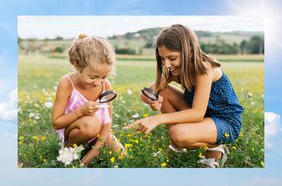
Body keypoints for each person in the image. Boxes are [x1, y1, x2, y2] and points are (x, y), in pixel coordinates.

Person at [126, 24, 243, 167]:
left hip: (225, 121)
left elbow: (197, 113)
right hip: (204, 118)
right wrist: (153, 100)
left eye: (172, 58)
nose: (167, 64)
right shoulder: (175, 69)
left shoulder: (204, 68)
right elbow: (145, 94)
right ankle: (181, 144)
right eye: (163, 59)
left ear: (190, 51)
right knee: (164, 90)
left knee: (178, 134)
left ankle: (215, 147)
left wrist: (158, 119)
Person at [52, 34, 125, 167]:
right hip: (77, 130)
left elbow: (107, 122)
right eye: (93, 77)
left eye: (104, 76)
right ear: (76, 65)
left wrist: (96, 149)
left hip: (98, 132)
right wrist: (80, 111)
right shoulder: (67, 83)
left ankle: (91, 146)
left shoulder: (105, 85)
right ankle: (68, 148)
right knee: (91, 124)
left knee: (123, 155)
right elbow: (56, 123)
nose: (98, 82)